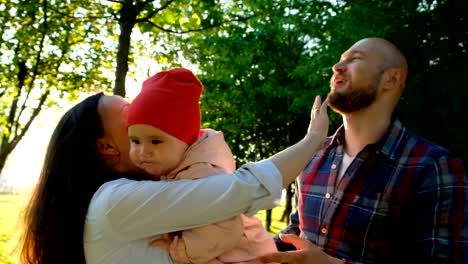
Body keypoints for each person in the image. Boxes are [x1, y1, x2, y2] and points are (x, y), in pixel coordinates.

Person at [17, 88, 329, 264]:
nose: (141, 112)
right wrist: (313, 139)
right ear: (107, 146)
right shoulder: (115, 201)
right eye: (128, 113)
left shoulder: (133, 196)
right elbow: (242, 190)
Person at [262, 37, 468, 264]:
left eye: (355, 59)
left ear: (391, 79)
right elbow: (297, 231)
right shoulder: (313, 154)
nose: (336, 67)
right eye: (340, 60)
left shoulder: (434, 167)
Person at [125, 67, 278, 263]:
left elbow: (226, 229)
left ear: (186, 142)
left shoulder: (203, 174)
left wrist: (183, 250)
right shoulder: (171, 168)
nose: (142, 151)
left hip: (248, 256)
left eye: (156, 141)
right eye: (135, 141)